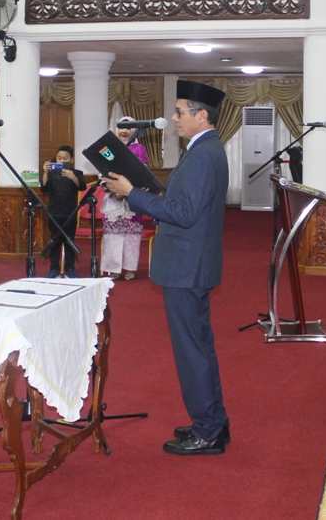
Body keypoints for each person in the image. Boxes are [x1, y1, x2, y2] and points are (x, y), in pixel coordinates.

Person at [104, 80, 231, 456]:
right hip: (191, 264)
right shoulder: (205, 149)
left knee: (192, 351)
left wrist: (132, 194)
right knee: (199, 346)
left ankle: (207, 431)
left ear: (201, 115)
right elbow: (184, 202)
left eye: (179, 112)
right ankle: (213, 422)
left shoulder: (203, 153)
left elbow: (184, 213)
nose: (174, 118)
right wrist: (148, 192)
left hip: (186, 267)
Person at [100, 117, 150, 280]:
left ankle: (130, 268)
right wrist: (113, 189)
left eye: (128, 128)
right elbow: (102, 170)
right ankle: (113, 268)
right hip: (113, 197)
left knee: (131, 236)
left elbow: (141, 172)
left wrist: (126, 190)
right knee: (113, 235)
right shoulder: (109, 148)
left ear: (133, 130)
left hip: (131, 196)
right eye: (121, 127)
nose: (124, 131)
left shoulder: (139, 148)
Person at [40, 145, 86, 278]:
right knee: (54, 242)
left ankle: (70, 268)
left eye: (65, 158)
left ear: (71, 160)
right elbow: (44, 188)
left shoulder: (76, 173)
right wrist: (45, 173)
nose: (62, 160)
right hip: (54, 212)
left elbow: (82, 187)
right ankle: (54, 268)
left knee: (69, 241)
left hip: (70, 212)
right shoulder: (52, 173)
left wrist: (72, 177)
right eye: (59, 158)